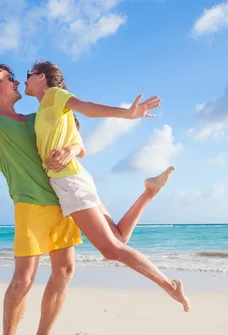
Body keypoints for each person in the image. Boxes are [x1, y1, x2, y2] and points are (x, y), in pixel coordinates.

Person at [0, 60, 180, 335]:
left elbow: (78, 142)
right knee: (23, 279)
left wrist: (70, 150)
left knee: (65, 271)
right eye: (10, 79)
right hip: (30, 204)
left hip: (62, 202)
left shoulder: (37, 118)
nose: (17, 82)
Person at [25, 61, 190, 312]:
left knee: (112, 249)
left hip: (69, 182)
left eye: (28, 75)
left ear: (41, 77)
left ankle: (169, 285)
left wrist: (127, 114)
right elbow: (81, 144)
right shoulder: (50, 112)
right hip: (76, 178)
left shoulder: (54, 95)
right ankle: (149, 192)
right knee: (118, 238)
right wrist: (72, 148)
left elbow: (88, 108)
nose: (24, 80)